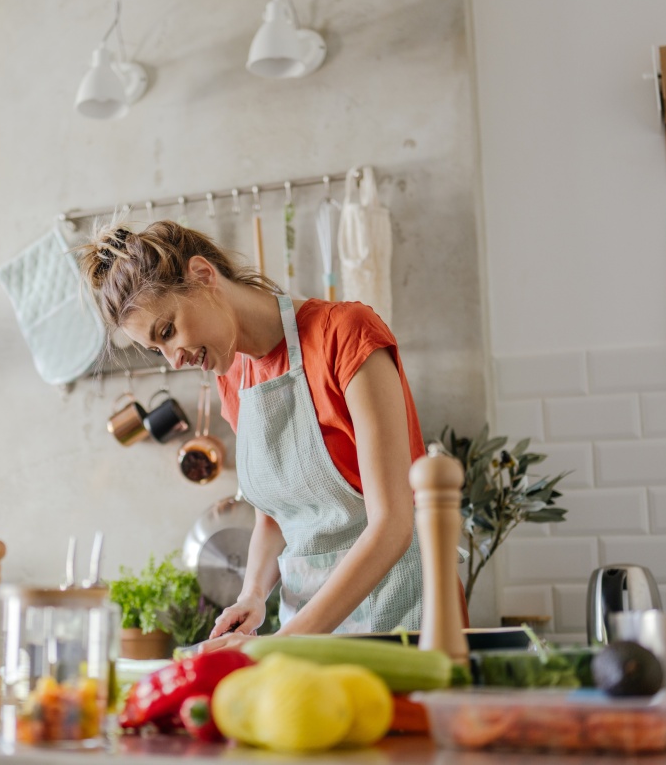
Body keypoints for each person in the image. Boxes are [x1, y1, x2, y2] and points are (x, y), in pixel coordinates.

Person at [78, 220, 457, 651]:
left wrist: (281, 643)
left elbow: (393, 525)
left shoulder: (346, 336)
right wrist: (253, 595)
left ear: (203, 276)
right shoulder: (232, 379)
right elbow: (273, 515)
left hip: (400, 623)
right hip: (305, 637)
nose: (173, 360)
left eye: (168, 332)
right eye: (156, 350)